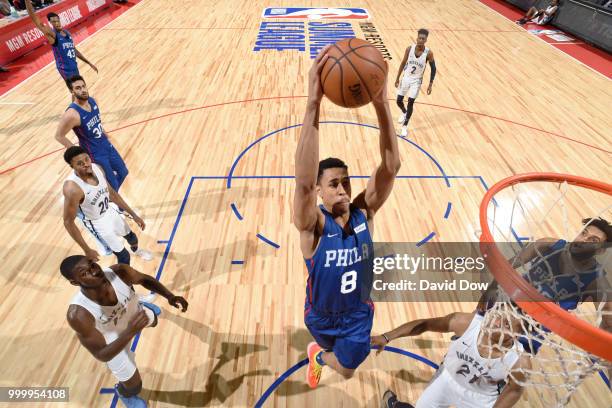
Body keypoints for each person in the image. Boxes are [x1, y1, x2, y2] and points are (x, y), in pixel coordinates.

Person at [294, 45, 401, 388]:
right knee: (330, 353)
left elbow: (391, 166)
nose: (342, 188)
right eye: (333, 184)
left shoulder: (364, 213)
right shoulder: (313, 226)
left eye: (346, 182)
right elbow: (303, 183)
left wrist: (382, 104)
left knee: (349, 368)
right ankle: (320, 352)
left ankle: (323, 356)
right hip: (319, 315)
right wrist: (313, 104)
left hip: (357, 318)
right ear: (321, 192)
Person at [61, 255, 188, 408]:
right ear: (75, 282)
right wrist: (131, 331)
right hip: (111, 343)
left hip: (133, 316)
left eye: (92, 265)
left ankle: (134, 302)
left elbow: (144, 280)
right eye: (84, 273)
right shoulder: (78, 314)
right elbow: (101, 354)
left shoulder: (120, 272)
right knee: (134, 387)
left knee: (154, 320)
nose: (94, 271)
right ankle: (122, 392)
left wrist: (170, 296)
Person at [480, 216, 612, 354]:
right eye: (584, 233)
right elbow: (508, 266)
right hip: (508, 305)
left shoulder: (596, 281)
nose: (583, 240)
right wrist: (490, 289)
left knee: (506, 366)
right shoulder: (548, 245)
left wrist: (600, 347)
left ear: (600, 250)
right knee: (468, 331)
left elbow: (608, 321)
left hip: (533, 329)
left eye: (593, 241)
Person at [373, 311, 530, 408]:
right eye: (499, 317)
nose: (497, 323)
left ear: (517, 335)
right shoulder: (466, 323)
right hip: (446, 379)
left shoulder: (519, 361)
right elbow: (425, 325)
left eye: (507, 326)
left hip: (480, 397)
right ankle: (394, 405)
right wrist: (387, 337)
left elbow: (514, 391)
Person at [63, 146, 151, 263]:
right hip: (97, 223)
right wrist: (86, 249)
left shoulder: (97, 168)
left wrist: (134, 215)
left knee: (132, 237)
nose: (86, 164)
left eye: (87, 159)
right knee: (124, 257)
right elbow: (68, 222)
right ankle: (124, 280)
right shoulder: (72, 188)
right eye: (80, 163)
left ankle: (136, 250)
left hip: (109, 211)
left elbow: (112, 195)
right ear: (72, 166)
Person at [55, 76, 129, 193]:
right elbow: (59, 136)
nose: (83, 90)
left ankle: (109, 198)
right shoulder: (72, 114)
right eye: (78, 88)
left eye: (84, 86)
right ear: (72, 91)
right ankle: (116, 208)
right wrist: (77, 153)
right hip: (95, 154)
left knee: (123, 172)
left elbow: (97, 121)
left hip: (106, 145)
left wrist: (104, 133)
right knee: (112, 183)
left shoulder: (93, 101)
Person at [24, 0, 97, 89]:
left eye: (57, 21)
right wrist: (27, 2)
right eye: (54, 22)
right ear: (50, 23)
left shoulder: (67, 33)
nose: (57, 23)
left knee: (80, 89)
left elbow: (73, 50)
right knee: (76, 90)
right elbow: (35, 20)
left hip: (74, 66)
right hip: (65, 69)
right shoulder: (53, 35)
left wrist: (89, 63)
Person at [394, 28, 436, 137]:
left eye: (423, 38)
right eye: (420, 38)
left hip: (416, 81)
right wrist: (397, 78)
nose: (421, 40)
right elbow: (403, 63)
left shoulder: (428, 53)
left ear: (426, 40)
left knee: (411, 102)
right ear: (417, 38)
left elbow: (433, 68)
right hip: (406, 78)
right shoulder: (409, 49)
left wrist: (430, 84)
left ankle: (405, 126)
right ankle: (404, 112)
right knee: (398, 101)